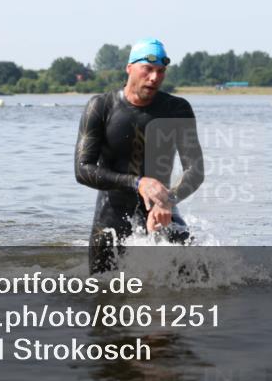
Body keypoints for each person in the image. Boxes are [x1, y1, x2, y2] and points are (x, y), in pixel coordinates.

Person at [75, 38, 205, 273]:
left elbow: (195, 171)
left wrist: (169, 199)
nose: (155, 78)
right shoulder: (101, 107)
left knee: (200, 277)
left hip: (162, 211)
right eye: (148, 69)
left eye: (161, 71)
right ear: (130, 68)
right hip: (111, 218)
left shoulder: (177, 110)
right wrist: (138, 183)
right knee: (102, 293)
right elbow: (83, 169)